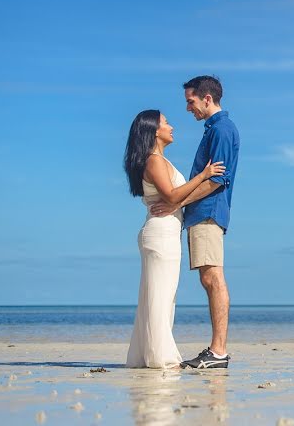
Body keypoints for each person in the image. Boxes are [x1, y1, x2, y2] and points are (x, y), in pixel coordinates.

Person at [124, 110, 225, 368]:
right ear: (154, 130)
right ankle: (162, 358)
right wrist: (203, 175)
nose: (172, 126)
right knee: (161, 296)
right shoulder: (153, 161)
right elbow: (170, 196)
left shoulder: (159, 160)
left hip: (165, 233)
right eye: (166, 122)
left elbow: (172, 197)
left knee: (160, 296)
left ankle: (150, 355)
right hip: (160, 235)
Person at [151, 75, 240, 369]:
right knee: (208, 278)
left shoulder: (223, 130)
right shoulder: (212, 130)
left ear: (207, 98)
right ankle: (217, 351)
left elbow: (217, 181)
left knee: (213, 277)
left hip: (209, 211)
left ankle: (218, 352)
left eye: (190, 102)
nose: (188, 108)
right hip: (203, 213)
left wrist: (177, 201)